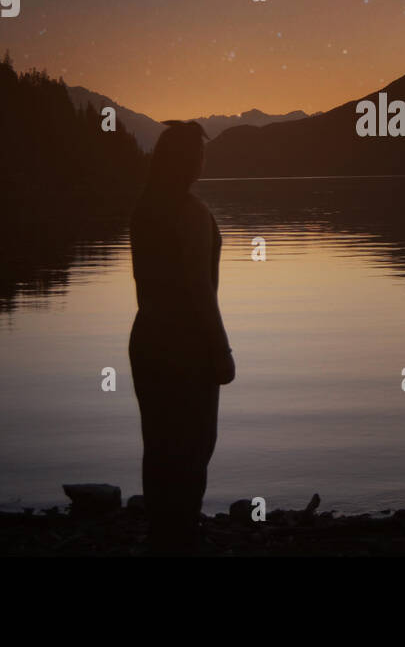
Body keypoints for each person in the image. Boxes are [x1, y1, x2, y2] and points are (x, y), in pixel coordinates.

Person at [129, 119, 235, 554]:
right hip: (185, 345)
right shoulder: (190, 212)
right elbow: (199, 290)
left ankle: (163, 532)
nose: (202, 159)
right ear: (188, 159)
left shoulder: (144, 208)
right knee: (195, 442)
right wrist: (221, 350)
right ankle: (183, 532)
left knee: (158, 444)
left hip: (147, 338)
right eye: (198, 152)